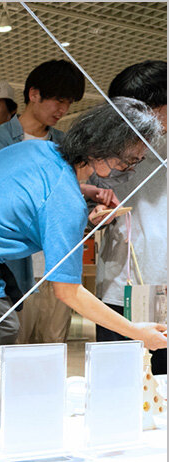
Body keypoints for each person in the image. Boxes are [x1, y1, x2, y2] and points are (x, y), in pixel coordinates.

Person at [0, 98, 167, 387]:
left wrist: (82, 191)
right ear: (106, 150)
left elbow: (30, 190)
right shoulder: (66, 201)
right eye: (129, 160)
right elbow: (69, 292)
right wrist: (136, 331)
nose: (129, 168)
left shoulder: (36, 149)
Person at [0, 60, 86, 353]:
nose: (63, 110)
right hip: (14, 263)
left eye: (69, 103)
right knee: (16, 348)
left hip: (56, 259)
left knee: (54, 346)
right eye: (59, 100)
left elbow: (69, 196)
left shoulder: (64, 143)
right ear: (35, 94)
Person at [94, 60, 167, 374]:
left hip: (162, 282)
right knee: (117, 385)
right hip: (119, 286)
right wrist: (94, 214)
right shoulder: (106, 145)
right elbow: (90, 200)